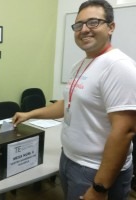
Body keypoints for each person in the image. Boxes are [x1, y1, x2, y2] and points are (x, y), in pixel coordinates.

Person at [13, 0, 136, 200]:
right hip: (70, 159)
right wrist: (29, 114)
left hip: (95, 170)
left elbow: (124, 131)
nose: (84, 29)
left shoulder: (119, 67)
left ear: (111, 27)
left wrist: (99, 189)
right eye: (78, 25)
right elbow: (67, 104)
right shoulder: (81, 64)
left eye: (93, 22)